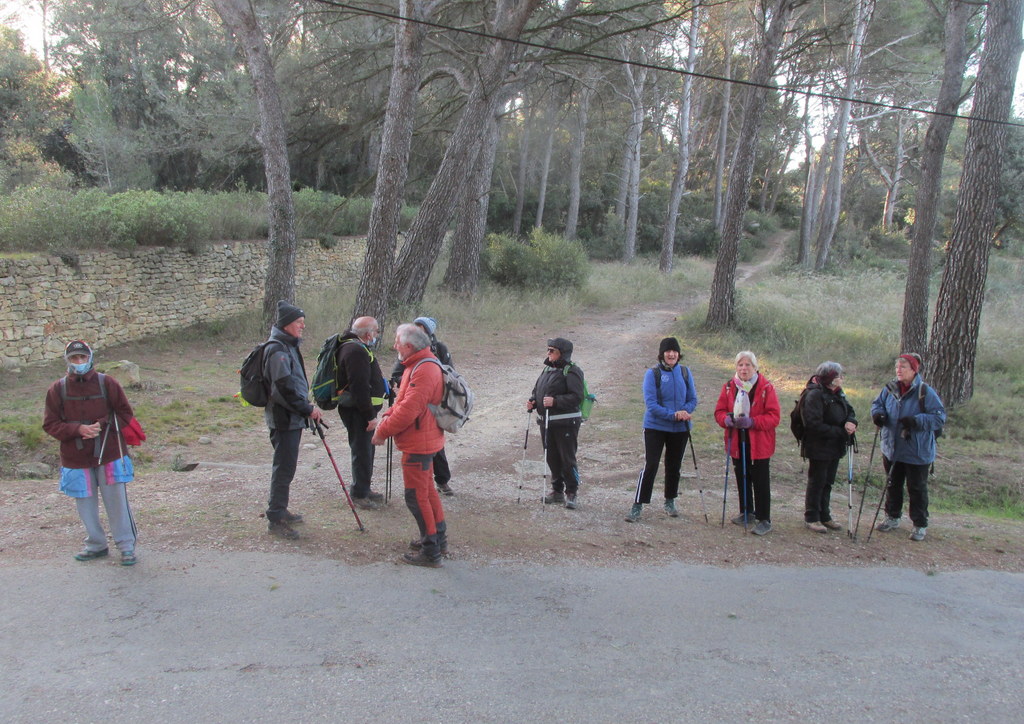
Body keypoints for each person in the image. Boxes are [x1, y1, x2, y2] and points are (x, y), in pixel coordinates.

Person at [43, 340, 140, 565]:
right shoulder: (57, 389)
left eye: (82, 357)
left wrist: (102, 425)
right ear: (67, 361)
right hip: (75, 457)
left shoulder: (108, 383)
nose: (78, 362)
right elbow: (50, 424)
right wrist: (77, 430)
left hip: (109, 452)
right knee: (84, 503)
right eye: (74, 358)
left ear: (90, 358)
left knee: (117, 502)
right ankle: (96, 544)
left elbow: (125, 413)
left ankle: (126, 546)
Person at [371, 323, 447, 568]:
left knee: (416, 496)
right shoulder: (417, 364)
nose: (394, 345)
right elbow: (404, 401)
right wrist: (385, 417)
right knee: (427, 491)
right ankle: (437, 538)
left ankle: (430, 549)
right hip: (425, 438)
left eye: (397, 341)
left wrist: (382, 432)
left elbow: (409, 410)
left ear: (409, 346)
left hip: (419, 442)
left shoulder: (423, 369)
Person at [262, 300, 324, 540]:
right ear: (287, 324)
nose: (303, 327)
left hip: (290, 416)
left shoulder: (287, 345)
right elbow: (283, 388)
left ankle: (280, 510)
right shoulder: (277, 349)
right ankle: (275, 518)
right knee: (284, 467)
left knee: (287, 467)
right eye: (299, 322)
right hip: (284, 418)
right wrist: (306, 408)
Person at [870, 353, 946, 542]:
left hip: (916, 450)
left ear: (914, 370)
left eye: (903, 367)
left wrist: (916, 421)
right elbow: (877, 404)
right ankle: (892, 517)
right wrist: (878, 414)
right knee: (892, 484)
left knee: (917, 488)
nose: (899, 370)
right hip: (892, 447)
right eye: (897, 367)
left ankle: (920, 524)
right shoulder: (889, 388)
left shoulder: (924, 391)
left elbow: (939, 417)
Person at [626, 337, 698, 523]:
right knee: (651, 465)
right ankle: (638, 504)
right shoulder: (653, 373)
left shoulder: (684, 372)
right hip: (655, 427)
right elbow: (651, 404)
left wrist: (685, 412)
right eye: (668, 351)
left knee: (674, 466)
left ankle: (670, 501)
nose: (671, 354)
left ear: (678, 354)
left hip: (680, 428)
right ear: (662, 354)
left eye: (674, 351)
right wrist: (673, 415)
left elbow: (693, 399)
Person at [714, 350, 780, 536]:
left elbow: (774, 417)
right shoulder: (729, 387)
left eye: (747, 365)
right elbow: (719, 411)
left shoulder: (766, 388)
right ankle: (746, 512)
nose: (744, 368)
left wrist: (753, 422)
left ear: (755, 367)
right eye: (740, 365)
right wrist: (725, 420)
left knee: (760, 479)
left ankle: (764, 519)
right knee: (741, 475)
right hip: (737, 440)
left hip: (759, 442)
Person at [390, 316, 455, 496]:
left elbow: (450, 374)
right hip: (416, 403)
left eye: (421, 328)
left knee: (435, 444)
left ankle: (442, 480)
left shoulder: (439, 348)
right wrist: (408, 384)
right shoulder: (407, 350)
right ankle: (426, 486)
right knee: (421, 444)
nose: (418, 330)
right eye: (415, 327)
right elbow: (396, 374)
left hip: (436, 404)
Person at [799, 361, 858, 533]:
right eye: (839, 376)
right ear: (831, 378)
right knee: (817, 481)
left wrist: (851, 421)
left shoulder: (838, 393)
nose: (842, 379)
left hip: (834, 446)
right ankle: (812, 517)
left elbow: (850, 410)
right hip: (818, 446)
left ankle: (825, 515)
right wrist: (841, 432)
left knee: (828, 482)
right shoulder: (814, 395)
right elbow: (813, 424)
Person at [526, 337, 584, 510]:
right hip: (546, 422)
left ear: (563, 354)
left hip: (566, 423)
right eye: (548, 350)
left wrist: (556, 402)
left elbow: (577, 397)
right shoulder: (546, 370)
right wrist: (533, 402)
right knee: (552, 457)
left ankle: (571, 492)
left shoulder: (572, 371)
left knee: (567, 458)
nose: (548, 353)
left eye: (552, 351)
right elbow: (537, 391)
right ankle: (557, 490)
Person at [336, 316, 388, 510]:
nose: (376, 335)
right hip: (358, 412)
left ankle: (364, 488)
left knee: (367, 449)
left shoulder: (355, 347)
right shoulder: (355, 350)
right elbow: (359, 387)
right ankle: (359, 494)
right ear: (368, 334)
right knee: (362, 451)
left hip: (360, 410)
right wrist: (370, 416)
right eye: (376, 331)